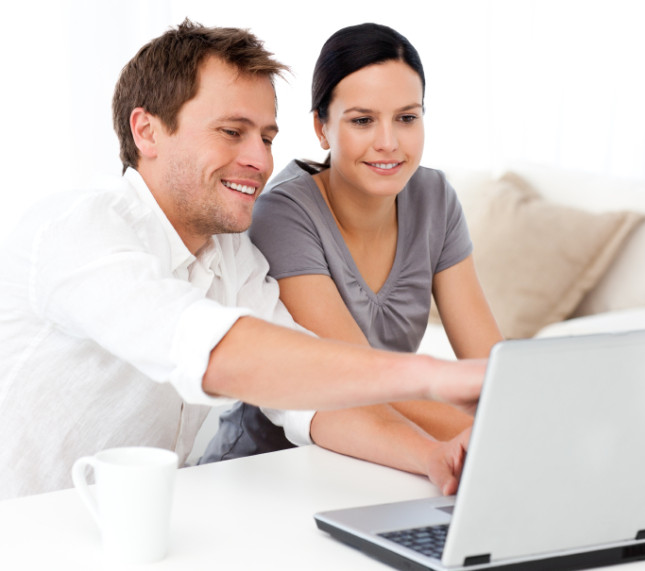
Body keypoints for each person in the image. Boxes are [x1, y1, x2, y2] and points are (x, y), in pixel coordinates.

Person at [0, 19, 487, 501]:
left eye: (267, 138)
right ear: (147, 131)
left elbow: (309, 393)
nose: (261, 160)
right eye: (232, 131)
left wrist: (429, 455)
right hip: (27, 531)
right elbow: (213, 350)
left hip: (131, 527)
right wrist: (431, 375)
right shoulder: (78, 230)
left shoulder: (232, 256)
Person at [201, 23, 502, 493]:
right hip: (270, 470)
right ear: (322, 127)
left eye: (407, 118)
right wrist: (498, 439)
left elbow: (489, 364)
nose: (389, 142)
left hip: (397, 458)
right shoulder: (284, 213)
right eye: (362, 120)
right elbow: (356, 383)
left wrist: (529, 421)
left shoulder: (435, 197)